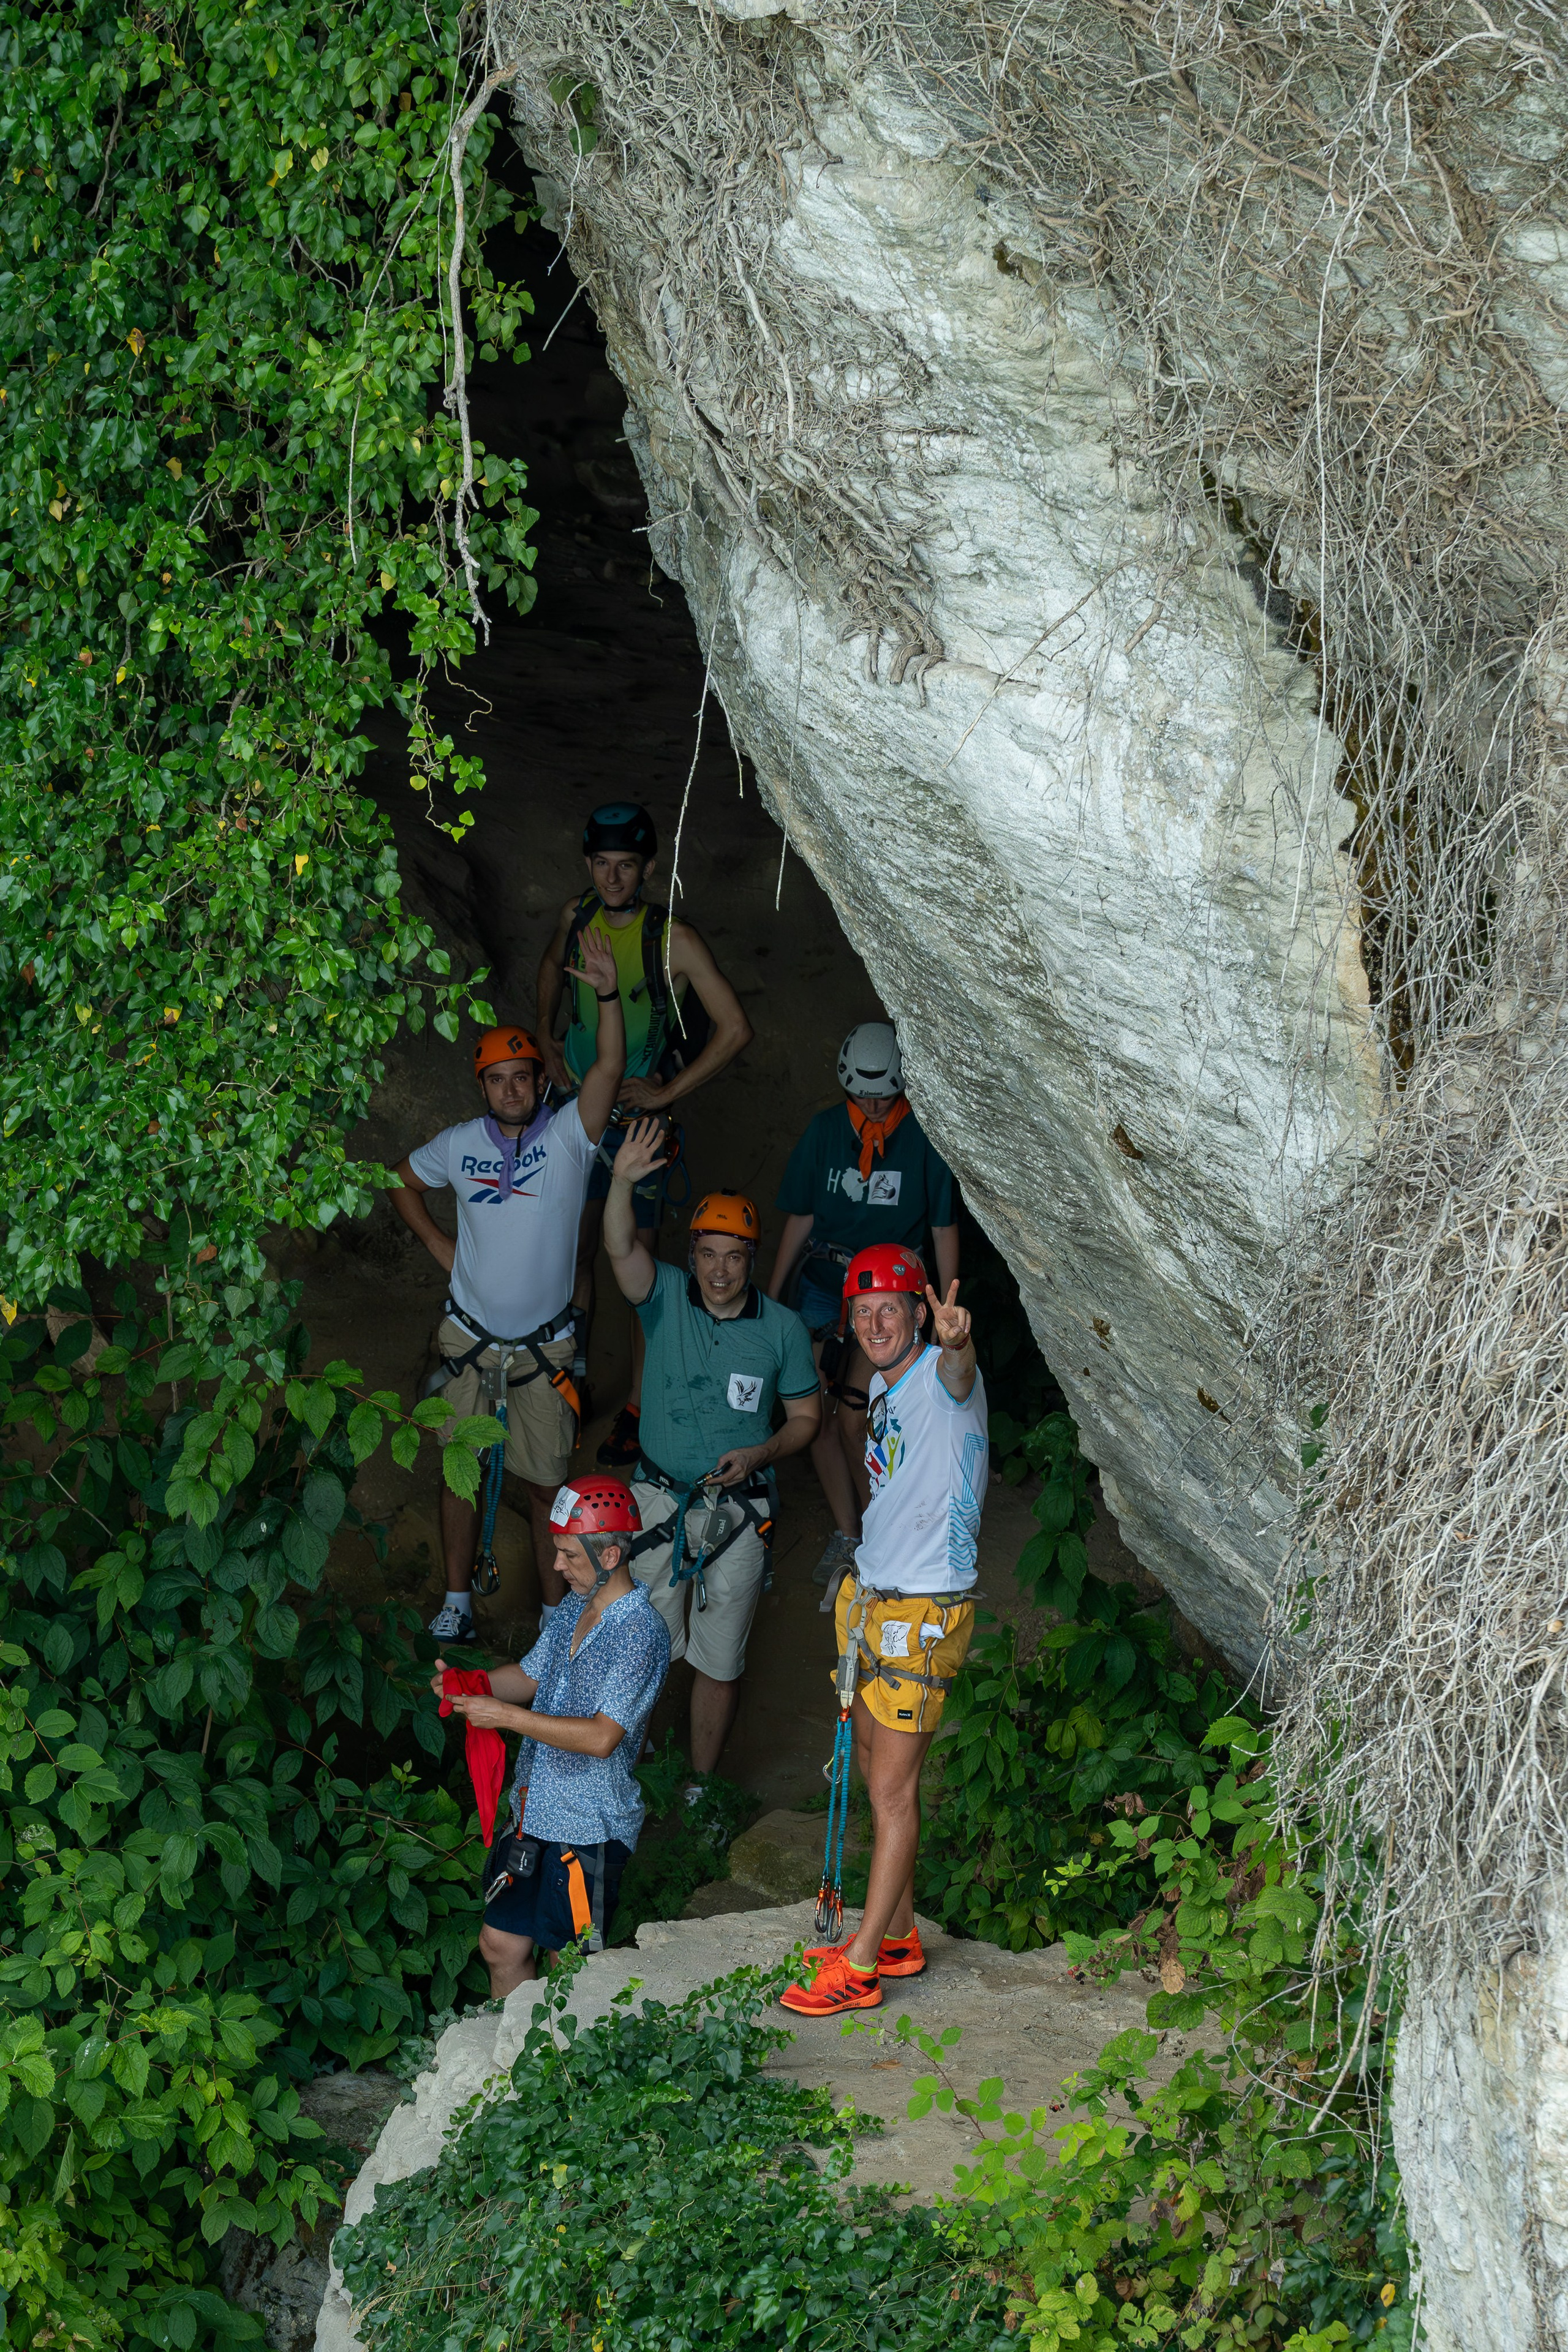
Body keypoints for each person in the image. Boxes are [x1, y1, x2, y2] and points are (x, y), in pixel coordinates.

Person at [390, 929, 625, 1646]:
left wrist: (607, 994)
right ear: (482, 1085)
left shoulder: (567, 1140)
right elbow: (402, 1180)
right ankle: (457, 1601)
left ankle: (556, 1617)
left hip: (541, 1347)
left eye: (522, 1076)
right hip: (469, 1335)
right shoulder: (459, 1143)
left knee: (544, 1483)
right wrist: (438, 1243)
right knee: (462, 1468)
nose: (511, 1089)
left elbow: (610, 1067)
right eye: (498, 1079)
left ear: (538, 1080)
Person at [780, 1243, 986, 2018]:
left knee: (893, 1789)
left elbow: (958, 1374)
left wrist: (957, 1341)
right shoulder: (882, 1388)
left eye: (889, 1309)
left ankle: (861, 1965)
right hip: (875, 1598)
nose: (874, 1324)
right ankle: (897, 1934)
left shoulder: (939, 1375)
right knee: (871, 1768)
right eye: (861, 1312)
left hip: (922, 1615)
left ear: (917, 1314)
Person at [535, 802, 755, 1468]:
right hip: (575, 1106)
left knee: (638, 1269)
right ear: (587, 865)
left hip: (637, 1120)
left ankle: (637, 1404)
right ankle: (567, 1387)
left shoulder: (673, 940)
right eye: (601, 864)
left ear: (649, 868)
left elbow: (735, 1028)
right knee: (571, 1255)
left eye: (626, 865)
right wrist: (546, 1040)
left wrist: (666, 1092)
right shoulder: (575, 918)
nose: (612, 878)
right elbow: (550, 969)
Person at [601, 1118, 821, 1780]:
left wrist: (760, 1453)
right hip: (658, 1495)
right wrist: (620, 1180)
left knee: (718, 1662)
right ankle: (624, 1774)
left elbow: (808, 1417)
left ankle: (698, 1790)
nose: (719, 1270)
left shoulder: (781, 1329)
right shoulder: (664, 1296)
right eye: (708, 1254)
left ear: (751, 1259)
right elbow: (618, 1248)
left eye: (734, 1256)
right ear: (690, 1252)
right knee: (643, 1648)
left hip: (738, 1507)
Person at [434, 1476, 670, 1995]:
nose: (557, 1567)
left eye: (568, 1555)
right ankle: (509, 2060)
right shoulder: (572, 1608)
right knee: (500, 1945)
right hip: (534, 1809)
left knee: (572, 1963)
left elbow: (603, 1737)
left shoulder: (641, 1633)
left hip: (589, 1827)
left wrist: (507, 1718)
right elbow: (532, 1675)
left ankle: (558, 2072)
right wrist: (468, 1687)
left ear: (609, 1555)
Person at [766, 1023, 959, 1594]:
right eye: (863, 1094)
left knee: (858, 1418)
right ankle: (852, 1533)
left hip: (889, 1296)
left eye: (886, 1093)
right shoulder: (826, 1132)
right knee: (819, 1415)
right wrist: (777, 1297)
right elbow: (802, 1216)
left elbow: (943, 1225)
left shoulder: (923, 1137)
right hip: (828, 1287)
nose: (875, 1104)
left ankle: (887, 1531)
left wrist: (946, 1301)